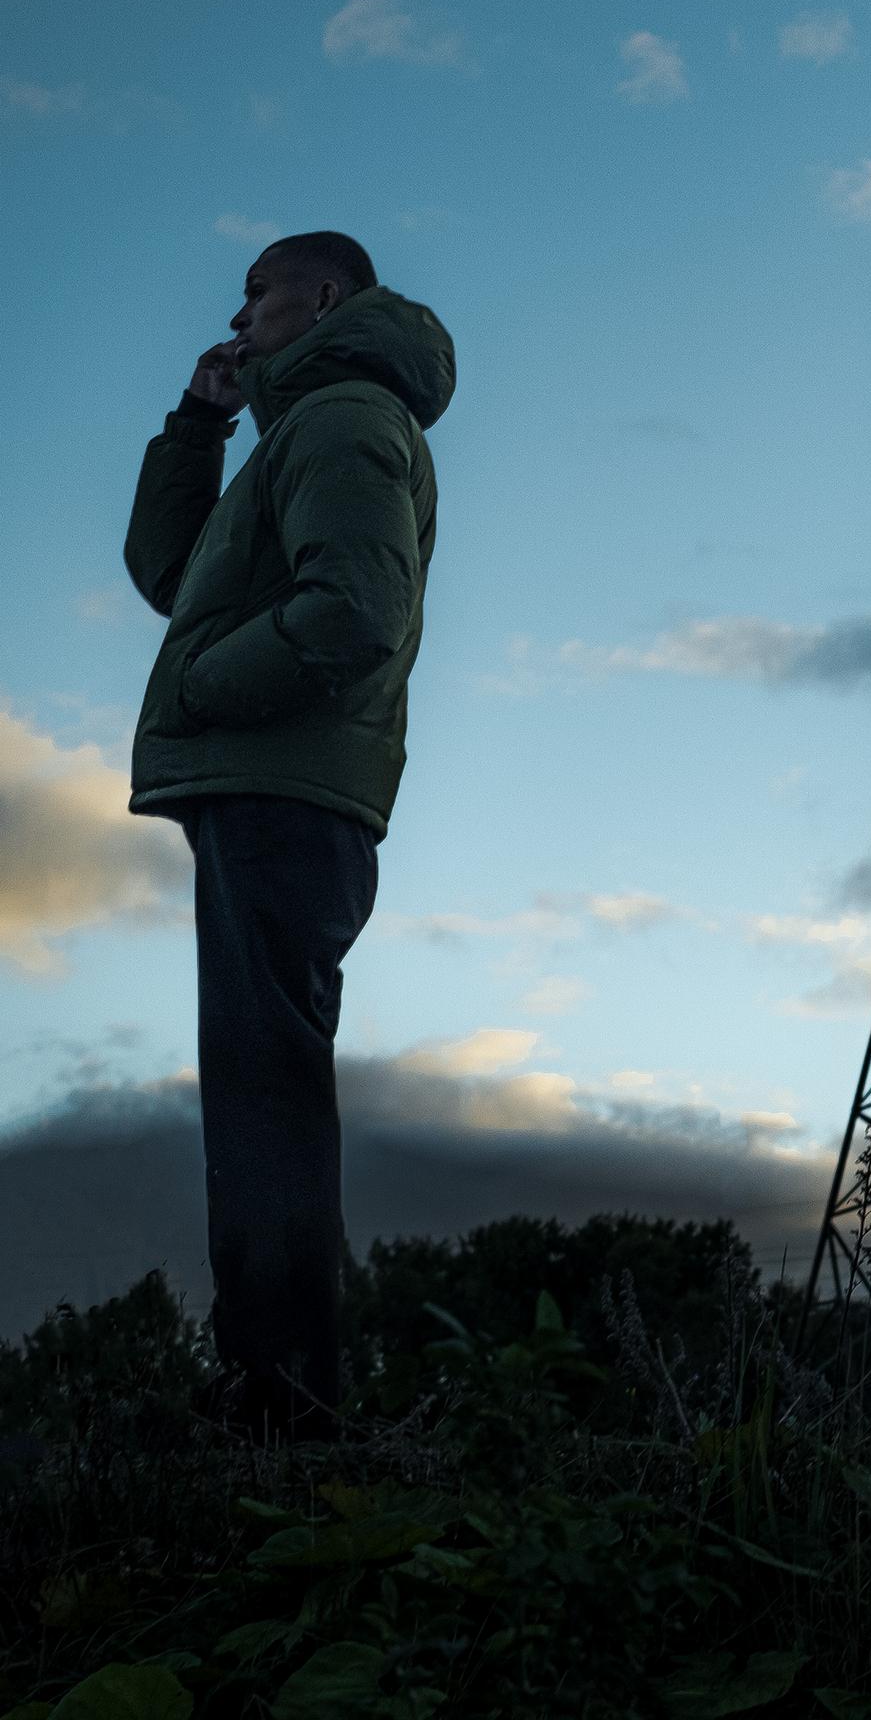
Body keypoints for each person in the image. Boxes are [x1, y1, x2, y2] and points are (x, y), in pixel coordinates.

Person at [124, 232, 454, 1443]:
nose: (240, 309)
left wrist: (208, 687)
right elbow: (172, 574)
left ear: (322, 298)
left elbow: (358, 610)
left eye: (259, 291)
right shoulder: (288, 434)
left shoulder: (341, 418)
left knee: (266, 1099)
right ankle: (277, 1382)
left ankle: (284, 1398)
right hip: (272, 794)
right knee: (262, 1090)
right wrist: (199, 425)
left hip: (283, 797)